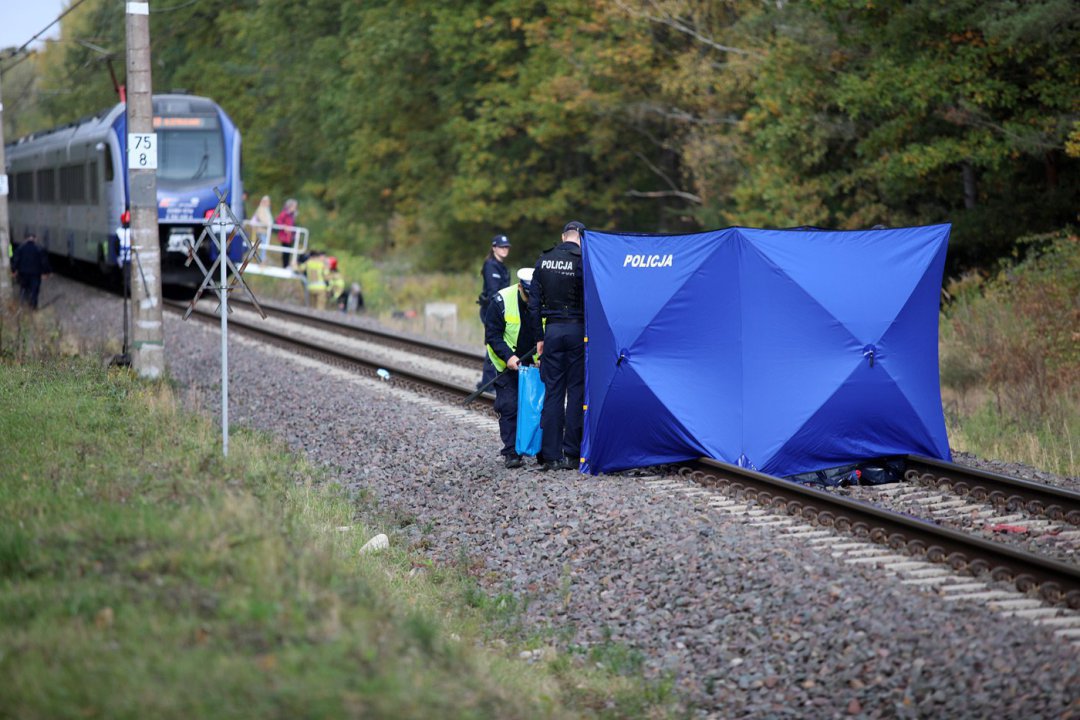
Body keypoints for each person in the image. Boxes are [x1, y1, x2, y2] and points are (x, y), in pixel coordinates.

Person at [527, 220, 586, 471]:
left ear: (563, 237)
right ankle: (572, 454)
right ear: (581, 239)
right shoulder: (584, 261)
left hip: (551, 330)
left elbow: (533, 306)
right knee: (576, 392)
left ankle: (550, 456)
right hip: (577, 330)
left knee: (553, 392)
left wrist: (540, 338)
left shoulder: (543, 261)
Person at [485, 268, 541, 468]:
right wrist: (508, 356)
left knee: (536, 406)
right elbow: (492, 335)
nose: (530, 299)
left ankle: (539, 448)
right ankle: (511, 452)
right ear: (520, 288)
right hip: (506, 363)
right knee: (509, 405)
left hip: (534, 363)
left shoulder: (544, 298)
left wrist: (544, 355)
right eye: (528, 294)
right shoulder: (501, 301)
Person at [478, 234, 513, 388]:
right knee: (493, 343)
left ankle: (492, 381)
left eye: (506, 247)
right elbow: (494, 292)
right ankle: (487, 382)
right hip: (490, 310)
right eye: (501, 246)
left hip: (500, 310)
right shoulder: (490, 265)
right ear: (494, 248)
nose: (504, 249)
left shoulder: (502, 267)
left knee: (498, 342)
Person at [10, 234, 52, 309]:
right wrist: (47, 272)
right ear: (35, 239)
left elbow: (16, 260)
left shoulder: (20, 248)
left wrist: (13, 270)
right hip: (35, 274)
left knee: (23, 288)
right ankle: (33, 307)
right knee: (34, 291)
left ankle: (22, 305)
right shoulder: (39, 249)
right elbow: (44, 262)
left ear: (25, 239)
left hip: (23, 273)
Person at [248, 195, 274, 263]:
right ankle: (261, 259)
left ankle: (262, 258)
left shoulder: (266, 209)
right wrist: (268, 224)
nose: (269, 203)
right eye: (268, 201)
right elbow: (262, 219)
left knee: (263, 245)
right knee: (263, 245)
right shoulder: (261, 208)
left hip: (264, 230)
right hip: (261, 230)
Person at [275, 198, 298, 268]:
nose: (295, 208)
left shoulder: (292, 215)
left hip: (289, 236)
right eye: (294, 206)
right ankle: (285, 265)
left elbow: (292, 225)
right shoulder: (285, 213)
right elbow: (278, 220)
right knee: (286, 251)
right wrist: (284, 226)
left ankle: (286, 265)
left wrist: (294, 233)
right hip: (284, 236)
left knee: (288, 251)